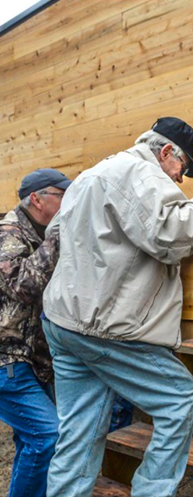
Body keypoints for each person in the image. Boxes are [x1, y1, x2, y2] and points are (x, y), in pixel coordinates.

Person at [42, 116, 193, 497]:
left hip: (64, 319)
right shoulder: (141, 173)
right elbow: (172, 234)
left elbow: (56, 236)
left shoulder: (90, 175)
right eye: (182, 167)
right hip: (104, 327)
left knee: (79, 431)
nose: (180, 179)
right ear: (166, 152)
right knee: (178, 397)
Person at [0, 169, 71, 497]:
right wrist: (58, 236)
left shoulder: (37, 231)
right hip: (6, 362)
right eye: (61, 194)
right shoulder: (9, 233)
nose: (67, 201)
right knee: (47, 436)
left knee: (32, 441)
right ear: (37, 198)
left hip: (31, 360)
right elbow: (23, 286)